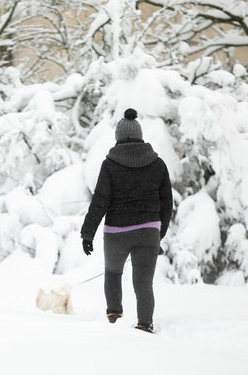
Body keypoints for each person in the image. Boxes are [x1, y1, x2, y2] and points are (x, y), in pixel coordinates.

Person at [80, 108, 173, 333]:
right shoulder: (157, 164)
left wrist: (87, 233)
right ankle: (145, 325)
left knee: (113, 273)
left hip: (116, 232)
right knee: (143, 283)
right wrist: (157, 235)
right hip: (148, 231)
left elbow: (100, 201)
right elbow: (167, 203)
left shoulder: (110, 165)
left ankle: (114, 317)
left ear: (118, 138)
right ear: (140, 136)